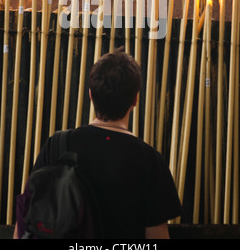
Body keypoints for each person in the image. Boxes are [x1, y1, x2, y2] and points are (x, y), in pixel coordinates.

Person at [14, 47, 182, 239]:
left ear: (91, 95)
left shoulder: (57, 147)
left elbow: (23, 227)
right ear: (135, 99)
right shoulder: (151, 161)